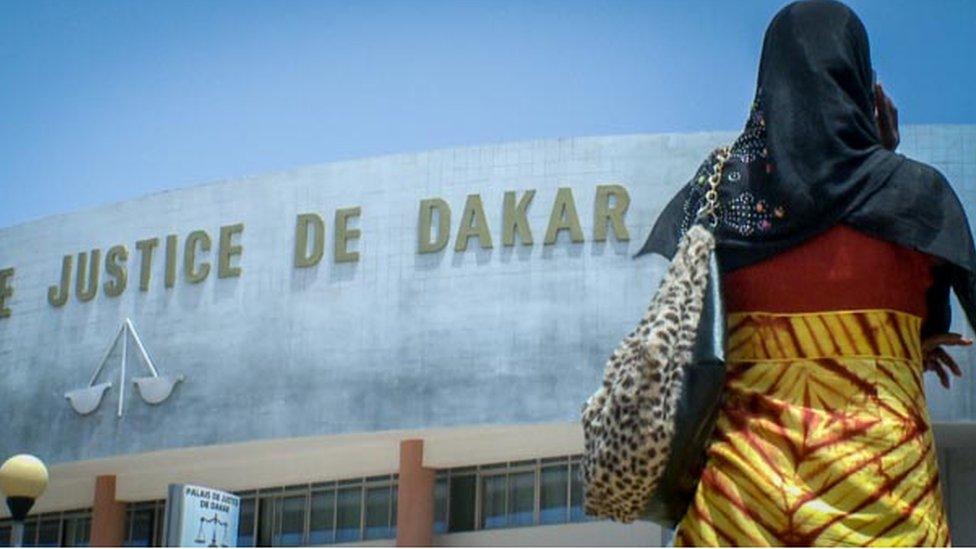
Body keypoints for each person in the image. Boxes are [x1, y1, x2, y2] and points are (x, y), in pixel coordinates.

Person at [637, 0, 976, 546]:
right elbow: (929, 325)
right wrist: (881, 159)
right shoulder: (916, 196)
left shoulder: (720, 197)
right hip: (887, 514)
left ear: (768, 82)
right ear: (862, 85)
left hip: (739, 517)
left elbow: (692, 328)